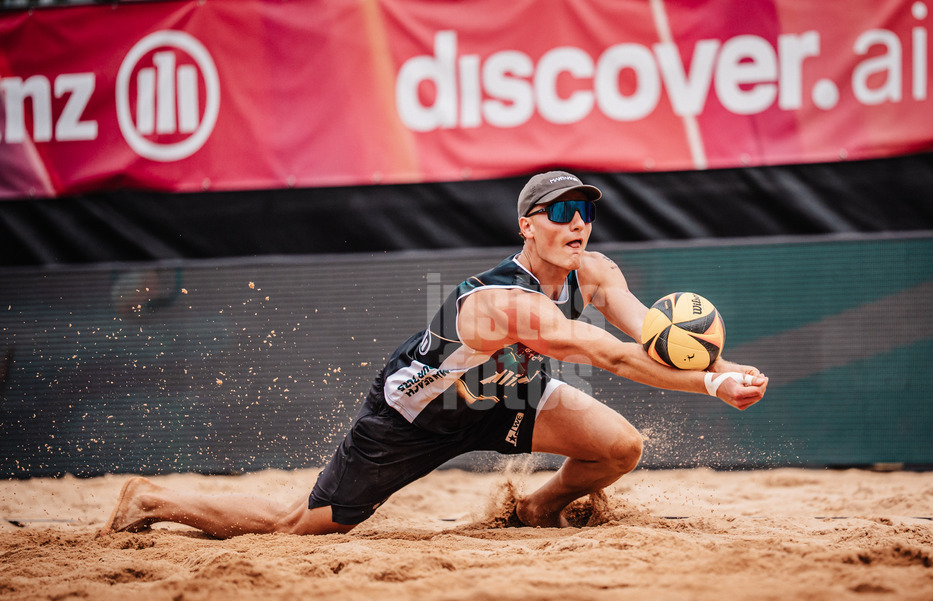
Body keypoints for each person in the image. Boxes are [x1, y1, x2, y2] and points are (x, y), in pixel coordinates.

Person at [102, 171, 768, 538]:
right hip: (417, 415)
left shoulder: (592, 271)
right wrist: (713, 384)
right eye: (560, 211)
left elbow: (647, 331)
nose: (577, 223)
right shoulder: (504, 302)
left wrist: (713, 363)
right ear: (526, 224)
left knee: (619, 448)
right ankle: (153, 499)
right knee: (299, 525)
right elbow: (615, 356)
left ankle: (535, 508)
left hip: (507, 395)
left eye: (585, 213)